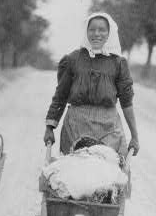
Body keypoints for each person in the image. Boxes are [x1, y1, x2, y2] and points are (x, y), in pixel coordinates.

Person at [44, 12, 139, 159]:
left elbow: (127, 103)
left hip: (109, 130)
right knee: (72, 171)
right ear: (86, 32)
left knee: (112, 173)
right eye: (92, 29)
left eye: (102, 30)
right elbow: (60, 96)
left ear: (109, 34)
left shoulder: (118, 63)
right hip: (75, 128)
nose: (96, 34)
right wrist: (50, 127)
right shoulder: (73, 59)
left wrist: (134, 136)